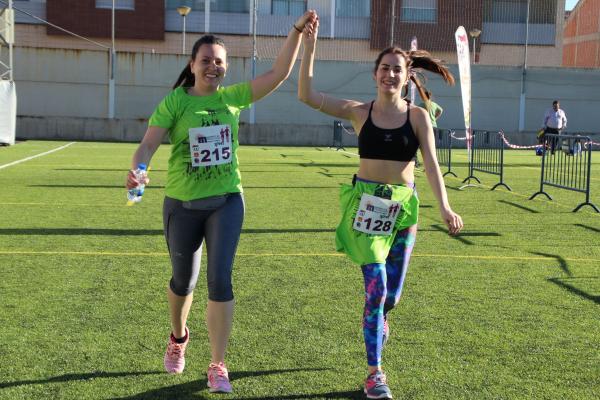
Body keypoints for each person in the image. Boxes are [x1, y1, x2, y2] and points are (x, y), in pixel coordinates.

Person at [126, 10, 317, 394]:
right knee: (184, 282)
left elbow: (278, 73)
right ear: (192, 64)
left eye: (219, 62)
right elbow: (148, 143)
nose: (213, 67)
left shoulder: (232, 99)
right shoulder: (175, 102)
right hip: (182, 205)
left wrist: (296, 31)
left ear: (225, 68)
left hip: (226, 201)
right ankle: (178, 337)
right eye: (206, 60)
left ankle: (217, 364)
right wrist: (140, 169)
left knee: (219, 280)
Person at [298, 20, 463, 400]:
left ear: (407, 78)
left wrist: (446, 208)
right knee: (376, 289)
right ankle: (375, 372)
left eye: (397, 69)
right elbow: (306, 94)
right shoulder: (359, 112)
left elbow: (433, 166)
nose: (390, 74)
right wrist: (311, 47)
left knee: (391, 297)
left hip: (403, 210)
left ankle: (381, 319)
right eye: (384, 67)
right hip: (366, 209)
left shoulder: (419, 117)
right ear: (375, 74)